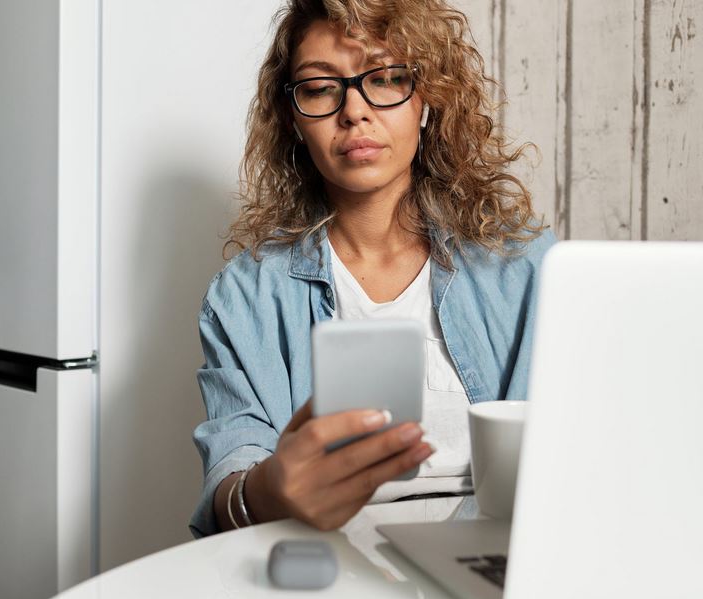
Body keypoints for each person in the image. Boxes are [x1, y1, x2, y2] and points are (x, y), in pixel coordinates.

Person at [189, 0, 556, 539]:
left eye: (385, 79)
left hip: (495, 559)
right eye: (319, 88)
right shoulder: (244, 297)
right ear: (293, 118)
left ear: (426, 99)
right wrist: (264, 492)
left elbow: (566, 456)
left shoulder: (526, 268)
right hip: (328, 570)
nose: (355, 111)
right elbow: (232, 471)